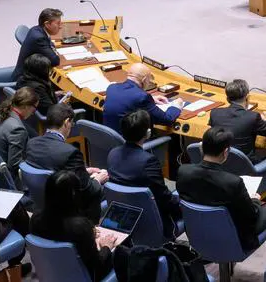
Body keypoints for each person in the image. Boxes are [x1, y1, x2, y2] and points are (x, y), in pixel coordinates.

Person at [177, 127, 266, 266]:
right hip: (235, 237)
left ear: (201, 148)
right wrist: (255, 200)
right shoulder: (232, 182)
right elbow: (251, 215)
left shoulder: (183, 171)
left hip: (198, 233)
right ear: (226, 152)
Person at [30, 170, 119, 281]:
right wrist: (106, 246)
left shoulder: (36, 218)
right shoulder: (80, 227)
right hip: (86, 277)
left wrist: (88, 235)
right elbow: (98, 266)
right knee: (122, 254)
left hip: (52, 273)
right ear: (73, 194)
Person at [25, 103, 107, 221]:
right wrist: (98, 179)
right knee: (106, 188)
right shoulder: (70, 152)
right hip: (70, 211)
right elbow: (87, 190)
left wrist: (84, 171)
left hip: (43, 206)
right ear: (67, 122)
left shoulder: (31, 144)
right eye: (72, 123)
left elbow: (52, 168)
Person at [107, 110, 180, 240]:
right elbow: (163, 198)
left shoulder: (113, 153)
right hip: (152, 220)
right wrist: (182, 204)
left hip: (123, 217)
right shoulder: (148, 161)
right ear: (148, 133)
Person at [208, 78, 266, 163]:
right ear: (247, 98)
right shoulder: (252, 117)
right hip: (246, 167)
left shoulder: (215, 113)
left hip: (221, 164)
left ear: (228, 99)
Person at [101, 63, 181, 131]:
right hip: (131, 144)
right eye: (149, 80)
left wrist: (152, 98)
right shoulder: (142, 97)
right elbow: (167, 119)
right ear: (144, 79)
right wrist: (176, 106)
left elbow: (127, 97)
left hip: (111, 140)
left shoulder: (111, 88)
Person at [0, 87, 39, 182]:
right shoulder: (17, 129)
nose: (33, 113)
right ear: (25, 105)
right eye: (34, 109)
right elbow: (15, 165)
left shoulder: (3, 114)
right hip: (12, 180)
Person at [13, 8, 62, 80]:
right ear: (47, 24)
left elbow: (50, 44)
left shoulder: (36, 29)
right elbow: (55, 61)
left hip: (30, 73)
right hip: (26, 81)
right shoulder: (39, 38)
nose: (60, 26)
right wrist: (55, 52)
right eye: (58, 23)